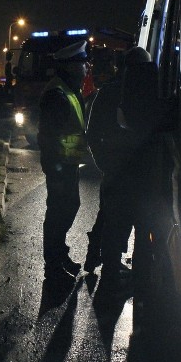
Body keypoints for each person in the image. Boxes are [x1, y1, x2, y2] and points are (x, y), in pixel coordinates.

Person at [84, 46, 152, 290]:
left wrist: (105, 164)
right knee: (132, 223)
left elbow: (92, 135)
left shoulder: (108, 93)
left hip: (120, 173)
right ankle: (120, 272)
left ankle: (109, 267)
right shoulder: (148, 93)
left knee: (113, 221)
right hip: (138, 174)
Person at [38, 40, 90, 283]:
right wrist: (54, 166)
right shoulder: (57, 94)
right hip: (60, 166)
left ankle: (60, 254)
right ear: (70, 66)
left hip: (68, 164)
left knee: (68, 208)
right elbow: (49, 135)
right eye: (82, 63)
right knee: (59, 212)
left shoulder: (70, 89)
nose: (86, 67)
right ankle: (53, 264)